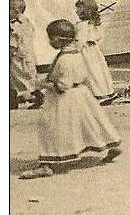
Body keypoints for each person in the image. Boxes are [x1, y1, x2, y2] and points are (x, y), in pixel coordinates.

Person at [19, 19, 121, 179]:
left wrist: (42, 83)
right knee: (90, 123)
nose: (49, 42)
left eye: (51, 38)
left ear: (59, 39)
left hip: (65, 98)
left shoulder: (65, 60)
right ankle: (110, 145)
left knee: (51, 127)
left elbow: (62, 86)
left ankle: (47, 163)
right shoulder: (77, 54)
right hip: (82, 95)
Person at [74, 0, 117, 105]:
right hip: (95, 52)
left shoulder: (81, 26)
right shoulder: (95, 24)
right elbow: (100, 37)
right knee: (99, 72)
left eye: (78, 9)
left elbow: (79, 41)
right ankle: (107, 91)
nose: (76, 11)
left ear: (85, 10)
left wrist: (75, 49)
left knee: (91, 74)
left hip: (85, 52)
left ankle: (98, 94)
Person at [10, 0, 43, 110]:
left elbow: (13, 43)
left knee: (22, 78)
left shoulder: (16, 26)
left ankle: (37, 96)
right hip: (28, 54)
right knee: (26, 77)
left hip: (18, 57)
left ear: (16, 11)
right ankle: (13, 100)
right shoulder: (26, 21)